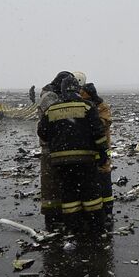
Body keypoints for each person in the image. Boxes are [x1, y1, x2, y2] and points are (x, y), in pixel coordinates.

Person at [37, 74, 110, 231]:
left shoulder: (51, 109)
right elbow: (98, 132)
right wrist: (103, 153)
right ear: (77, 89)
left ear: (61, 91)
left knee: (69, 194)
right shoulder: (87, 106)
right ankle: (95, 225)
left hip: (61, 162)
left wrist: (58, 138)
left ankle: (73, 226)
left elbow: (42, 132)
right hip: (85, 160)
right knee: (91, 193)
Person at [79, 74, 115, 220]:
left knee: (104, 175)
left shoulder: (102, 107)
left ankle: (107, 209)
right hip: (89, 148)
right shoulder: (86, 107)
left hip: (104, 147)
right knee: (91, 178)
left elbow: (103, 124)